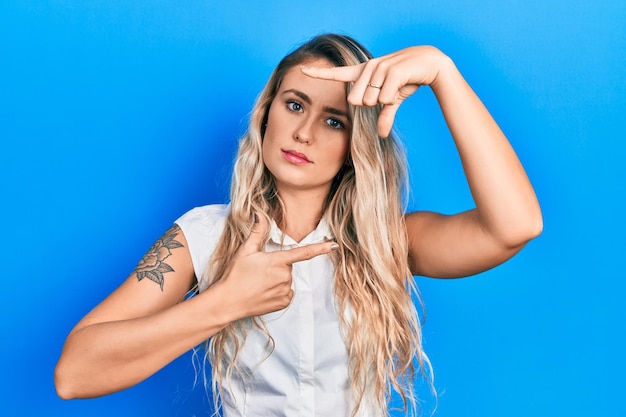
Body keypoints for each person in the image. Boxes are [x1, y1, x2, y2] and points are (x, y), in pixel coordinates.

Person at [54, 33, 542, 416]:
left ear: (357, 146)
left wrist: (442, 71)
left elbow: (514, 226)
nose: (304, 133)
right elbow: (74, 373)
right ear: (266, 115)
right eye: (294, 105)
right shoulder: (204, 235)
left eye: (334, 121)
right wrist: (223, 303)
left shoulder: (388, 241)